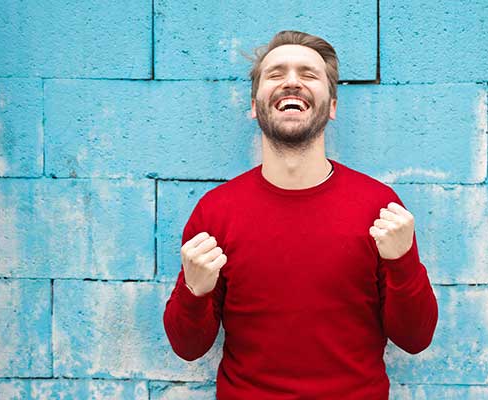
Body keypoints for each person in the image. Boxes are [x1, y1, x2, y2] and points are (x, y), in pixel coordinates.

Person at [163, 30, 438, 400]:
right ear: (254, 103)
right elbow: (188, 347)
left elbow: (415, 339)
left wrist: (403, 264)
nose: (291, 81)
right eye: (275, 74)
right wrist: (194, 291)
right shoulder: (216, 211)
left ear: (333, 105)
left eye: (308, 74)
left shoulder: (380, 207)